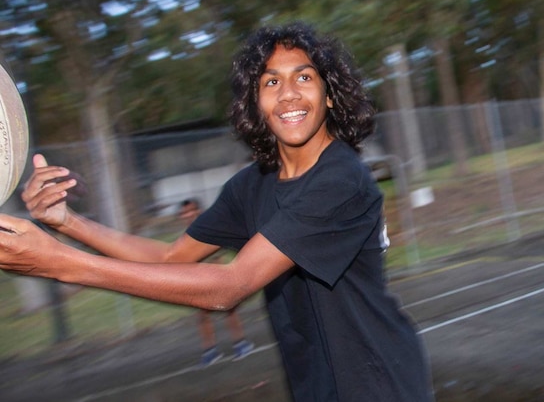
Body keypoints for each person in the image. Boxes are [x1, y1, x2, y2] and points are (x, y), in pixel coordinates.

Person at [0, 22, 435, 402]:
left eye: (304, 77)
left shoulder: (341, 181)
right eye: (270, 82)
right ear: (256, 104)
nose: (288, 94)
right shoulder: (252, 185)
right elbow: (172, 258)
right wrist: (66, 224)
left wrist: (62, 265)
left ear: (331, 96)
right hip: (316, 385)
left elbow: (229, 285)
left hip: (381, 386)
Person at [178, 198, 254, 366]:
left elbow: (217, 253)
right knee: (202, 316)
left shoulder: (205, 228)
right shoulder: (185, 235)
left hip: (215, 276)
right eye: (184, 213)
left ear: (198, 211)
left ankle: (241, 343)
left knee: (229, 310)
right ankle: (210, 351)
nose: (187, 215)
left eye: (191, 211)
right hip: (198, 280)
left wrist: (219, 277)